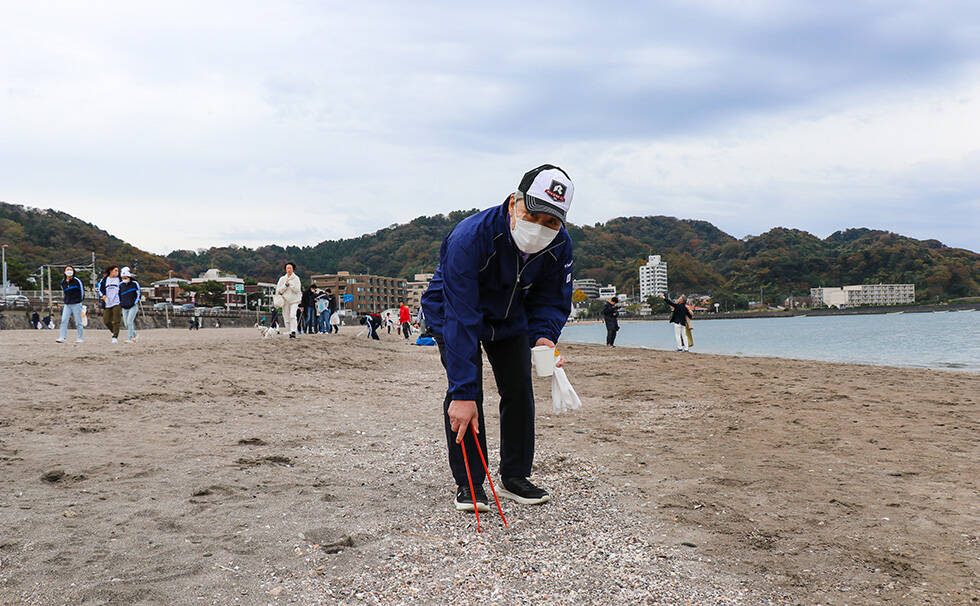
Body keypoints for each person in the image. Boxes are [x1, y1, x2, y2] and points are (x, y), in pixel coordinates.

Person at [421, 163, 574, 512]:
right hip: (454, 311)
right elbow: (461, 317)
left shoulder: (559, 245)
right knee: (466, 391)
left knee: (519, 388)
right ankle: (471, 482)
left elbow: (552, 300)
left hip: (510, 316)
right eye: (533, 215)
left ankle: (515, 476)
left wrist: (545, 340)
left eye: (552, 222)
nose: (540, 228)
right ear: (513, 203)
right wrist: (462, 391)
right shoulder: (469, 237)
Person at [56, 265, 85, 343]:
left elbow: (82, 292)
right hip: (67, 304)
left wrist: (80, 301)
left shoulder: (77, 281)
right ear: (65, 272)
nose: (69, 271)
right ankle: (62, 337)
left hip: (76, 303)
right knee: (64, 320)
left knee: (78, 321)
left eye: (70, 269)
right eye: (67, 269)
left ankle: (80, 338)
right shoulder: (63, 282)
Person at [275, 262, 302, 338]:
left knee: (292, 315)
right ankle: (289, 331)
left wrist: (291, 284)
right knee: (286, 317)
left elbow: (297, 290)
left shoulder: (296, 278)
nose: (289, 269)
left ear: (293, 269)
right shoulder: (282, 279)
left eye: (290, 268)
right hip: (285, 301)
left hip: (294, 301)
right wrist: (285, 285)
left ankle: (293, 331)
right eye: (287, 268)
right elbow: (279, 290)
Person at [97, 265, 123, 343]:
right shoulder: (104, 280)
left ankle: (115, 337)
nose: (117, 272)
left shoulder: (119, 280)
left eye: (118, 271)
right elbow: (99, 289)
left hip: (117, 302)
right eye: (115, 270)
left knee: (116, 320)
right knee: (106, 321)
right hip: (107, 302)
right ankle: (113, 331)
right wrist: (103, 296)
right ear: (110, 271)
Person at [118, 267, 141, 344]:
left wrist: (135, 302)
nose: (124, 279)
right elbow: (118, 295)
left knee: (129, 321)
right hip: (124, 307)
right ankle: (134, 335)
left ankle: (130, 339)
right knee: (126, 324)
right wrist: (120, 303)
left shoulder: (135, 284)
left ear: (129, 277)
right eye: (123, 278)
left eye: (125, 277)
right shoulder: (120, 285)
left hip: (133, 306)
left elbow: (138, 294)